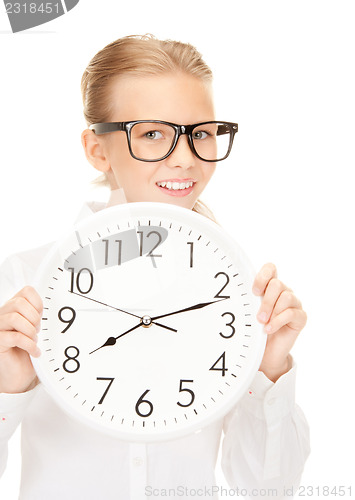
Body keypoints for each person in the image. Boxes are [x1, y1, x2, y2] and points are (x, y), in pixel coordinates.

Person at [0, 35, 310, 500]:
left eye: (201, 133)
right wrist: (7, 389)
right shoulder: (25, 281)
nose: (185, 158)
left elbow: (269, 489)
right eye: (151, 134)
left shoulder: (239, 294)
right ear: (97, 150)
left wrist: (269, 369)